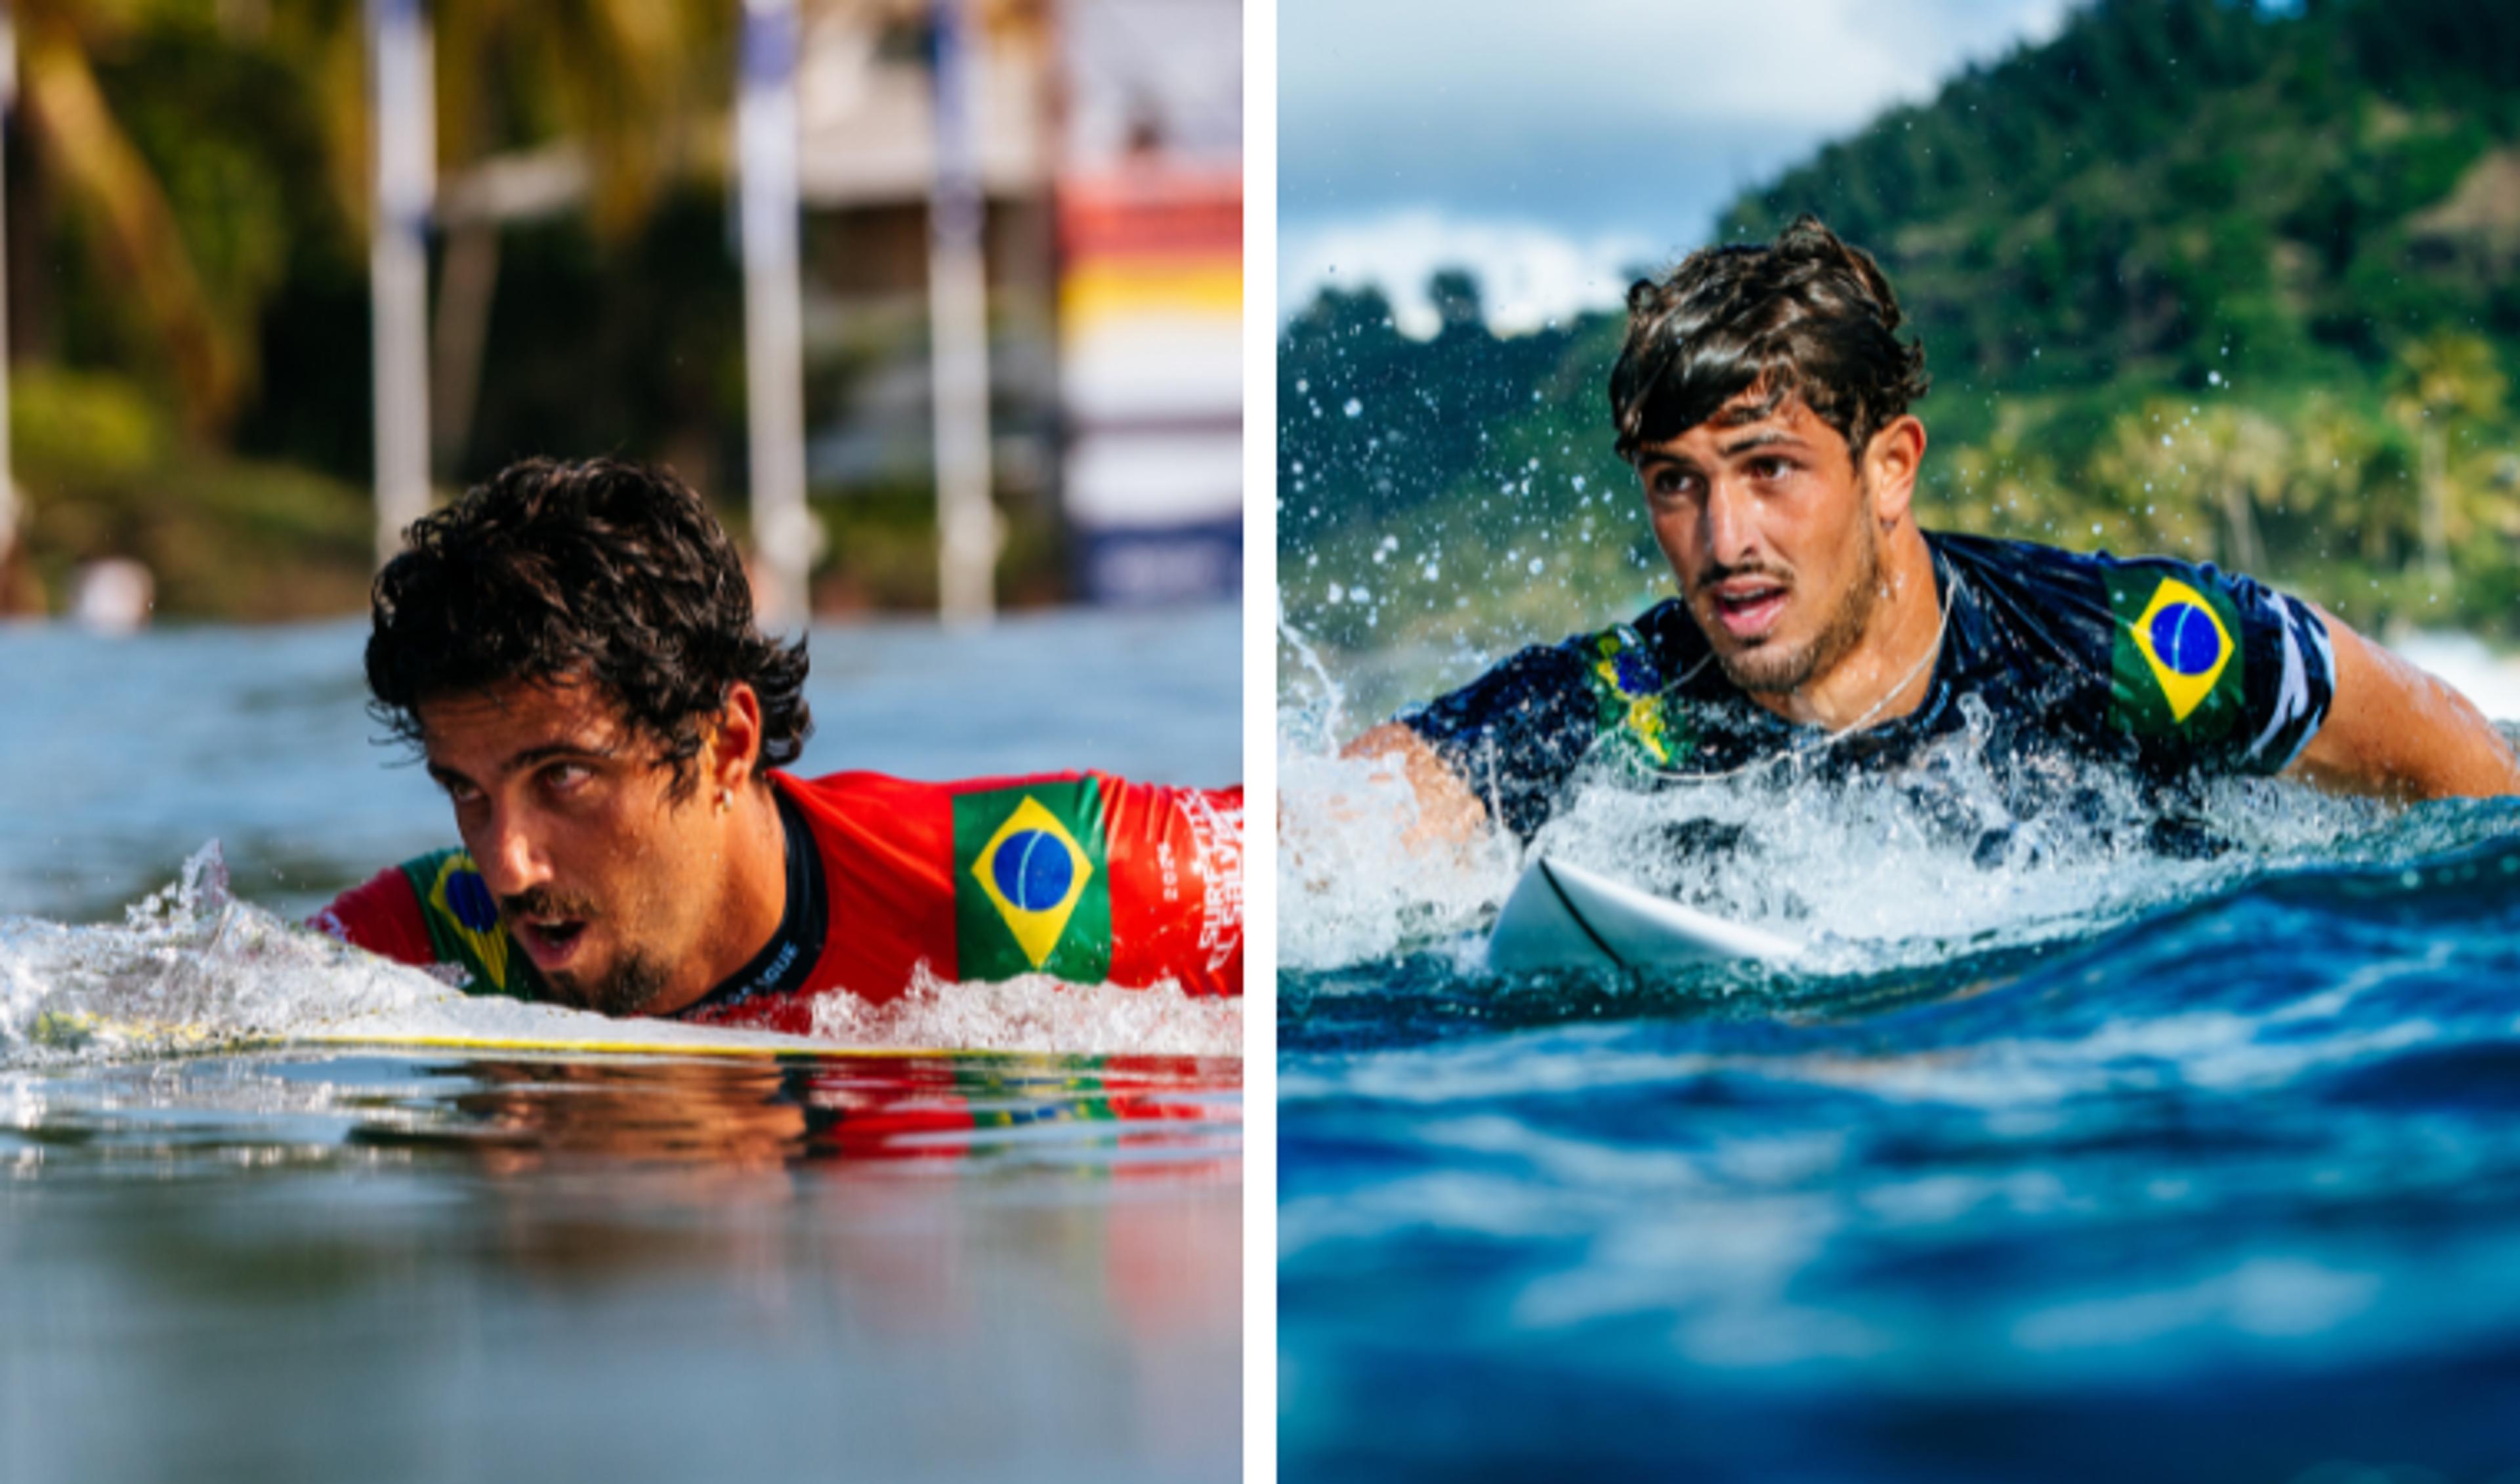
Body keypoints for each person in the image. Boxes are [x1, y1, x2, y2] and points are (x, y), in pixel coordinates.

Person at [1347, 216, 2520, 848]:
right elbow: (1338, 844)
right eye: (1676, 483)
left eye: (1770, 469)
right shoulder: (1625, 709)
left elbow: (2483, 797)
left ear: (1890, 467)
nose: (1723, 537)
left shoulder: (2137, 651)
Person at [314, 458, 1242, 1021]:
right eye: (466, 792)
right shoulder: (434, 940)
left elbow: (1348, 839)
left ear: (725, 746)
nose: (506, 868)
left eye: (563, 776)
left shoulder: (1040, 889)